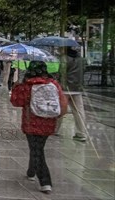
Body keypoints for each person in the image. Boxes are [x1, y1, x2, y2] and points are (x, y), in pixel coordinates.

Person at [10, 61, 66, 195]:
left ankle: (45, 181)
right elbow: (62, 102)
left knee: (37, 150)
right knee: (37, 147)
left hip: (32, 122)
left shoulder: (28, 85)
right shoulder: (54, 84)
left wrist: (16, 87)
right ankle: (31, 171)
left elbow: (16, 101)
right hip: (49, 122)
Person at [59, 47, 88, 142]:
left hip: (65, 88)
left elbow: (61, 73)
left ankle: (55, 129)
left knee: (61, 109)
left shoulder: (64, 58)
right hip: (77, 88)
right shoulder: (81, 59)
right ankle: (81, 133)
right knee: (79, 111)